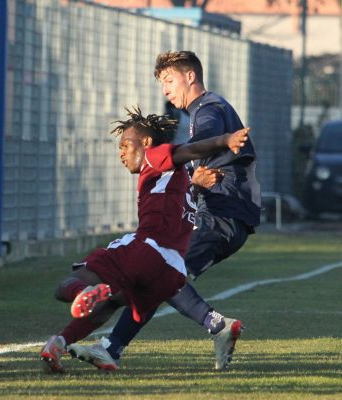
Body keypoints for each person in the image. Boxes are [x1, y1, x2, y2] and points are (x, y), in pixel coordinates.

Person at [69, 51, 261, 372]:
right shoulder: (209, 108)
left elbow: (205, 139)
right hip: (230, 212)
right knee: (158, 278)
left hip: (221, 211)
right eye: (162, 84)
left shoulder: (207, 108)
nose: (166, 91)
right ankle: (112, 348)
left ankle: (215, 326)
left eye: (169, 81)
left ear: (191, 76)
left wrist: (195, 169)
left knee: (158, 272)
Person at [40, 106, 250, 373]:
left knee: (69, 284)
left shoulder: (154, 157)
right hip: (170, 271)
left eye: (126, 145)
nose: (121, 153)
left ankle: (82, 294)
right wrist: (195, 185)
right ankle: (60, 344)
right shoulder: (181, 176)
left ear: (147, 143)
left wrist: (225, 140)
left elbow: (189, 150)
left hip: (147, 249)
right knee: (110, 303)